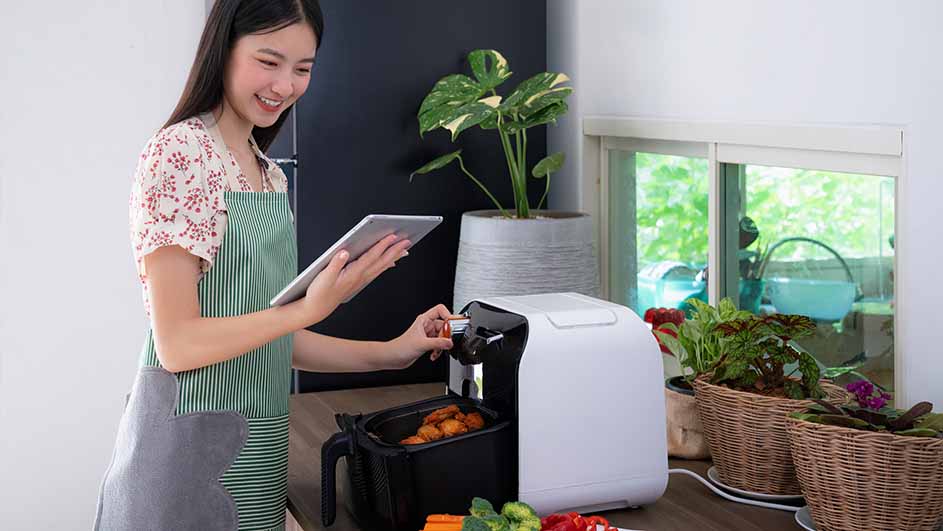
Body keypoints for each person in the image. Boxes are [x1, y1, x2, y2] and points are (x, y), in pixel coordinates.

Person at [95, 1, 455, 529]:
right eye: (269, 61)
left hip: (259, 460)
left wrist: (394, 352)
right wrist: (309, 308)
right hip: (184, 468)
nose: (285, 85)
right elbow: (178, 344)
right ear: (223, 49)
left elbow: (266, 342)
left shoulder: (269, 177)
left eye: (303, 68)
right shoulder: (179, 155)